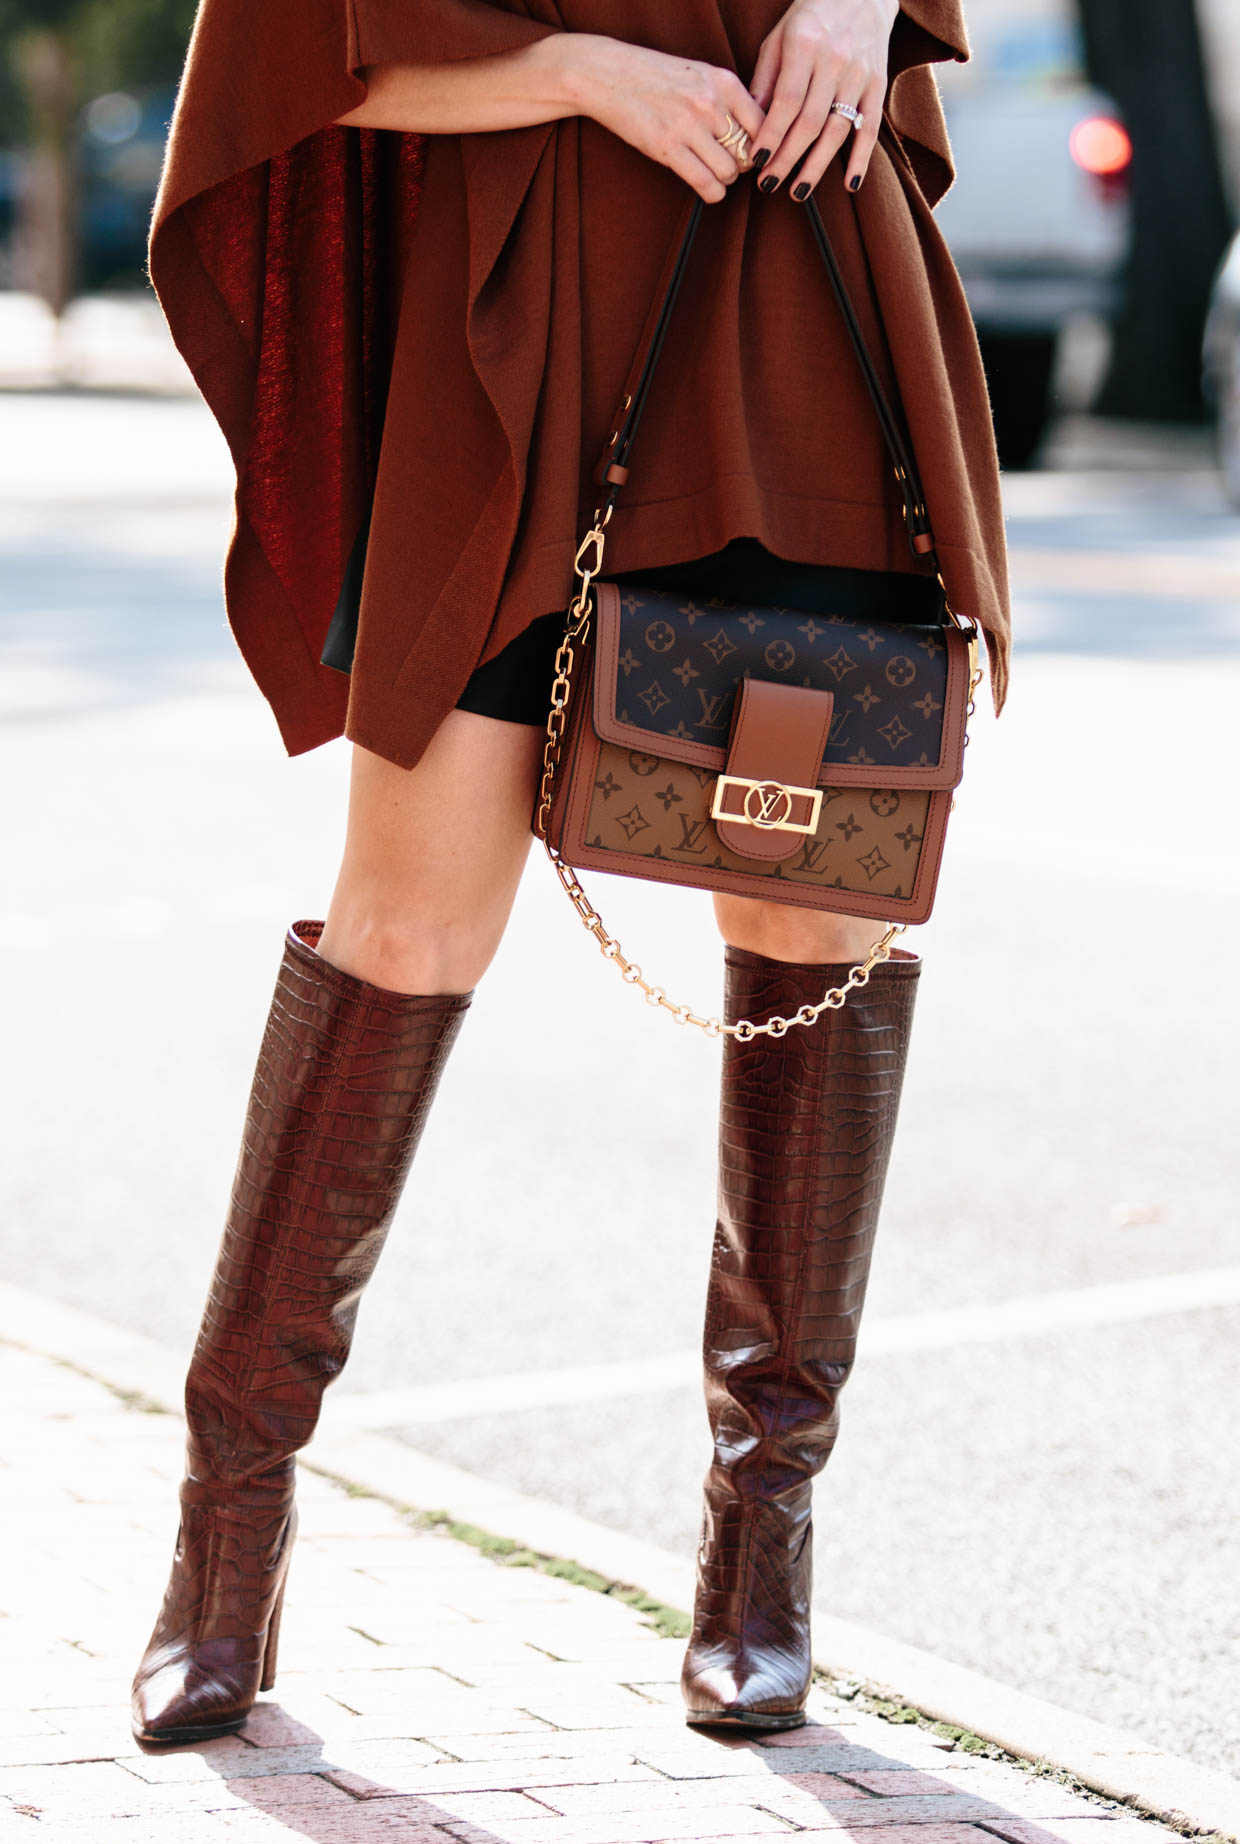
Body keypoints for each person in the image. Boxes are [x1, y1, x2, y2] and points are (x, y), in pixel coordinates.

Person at [130, 0, 1009, 1746]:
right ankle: (224, 1550)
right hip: (507, 317)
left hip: (790, 277)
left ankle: (764, 1548)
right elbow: (292, 59)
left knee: (808, 912)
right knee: (403, 917)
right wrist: (577, 70)